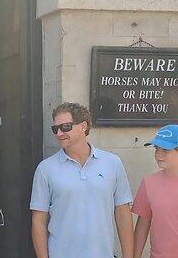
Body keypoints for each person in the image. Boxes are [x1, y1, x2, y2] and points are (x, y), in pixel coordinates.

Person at [30, 102, 134, 258]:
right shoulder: (45, 169)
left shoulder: (113, 163)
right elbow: (38, 221)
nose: (59, 133)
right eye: (55, 129)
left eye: (65, 127)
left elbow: (123, 214)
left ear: (83, 126)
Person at [132, 124, 178, 258]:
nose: (158, 155)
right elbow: (142, 225)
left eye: (165, 150)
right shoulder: (149, 183)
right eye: (156, 149)